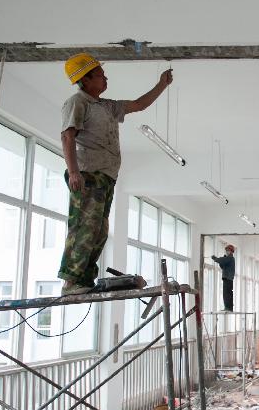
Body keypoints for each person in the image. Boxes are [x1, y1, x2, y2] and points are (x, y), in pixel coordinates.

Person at [58, 53, 173, 295]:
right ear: (85, 80)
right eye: (100, 75)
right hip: (87, 174)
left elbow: (139, 104)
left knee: (99, 230)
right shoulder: (77, 103)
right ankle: (71, 280)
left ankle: (85, 279)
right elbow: (68, 136)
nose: (105, 78)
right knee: (84, 227)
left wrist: (162, 85)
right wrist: (74, 171)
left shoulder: (106, 105)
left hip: (105, 177)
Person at [211, 245, 236, 311]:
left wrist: (215, 259)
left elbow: (222, 261)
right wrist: (219, 260)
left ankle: (228, 308)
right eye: (226, 250)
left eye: (228, 250)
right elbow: (222, 265)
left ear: (231, 251)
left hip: (228, 278)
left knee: (227, 294)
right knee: (227, 293)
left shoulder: (230, 258)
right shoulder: (228, 259)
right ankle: (228, 307)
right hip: (227, 278)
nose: (227, 252)